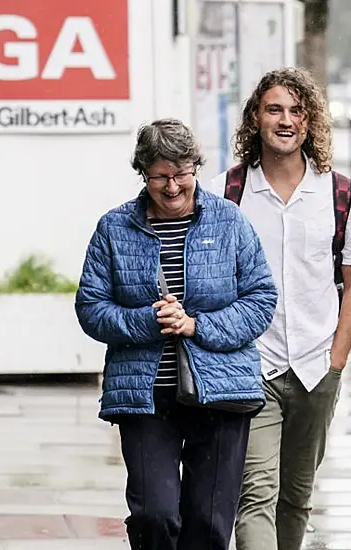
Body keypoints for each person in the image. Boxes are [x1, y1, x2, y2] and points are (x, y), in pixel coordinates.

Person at [75, 118, 278, 550]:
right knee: (155, 514)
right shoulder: (114, 228)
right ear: (143, 174)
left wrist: (195, 325)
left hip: (222, 390)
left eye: (181, 175)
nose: (171, 188)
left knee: (207, 523)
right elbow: (91, 308)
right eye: (160, 177)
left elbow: (261, 299)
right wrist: (148, 321)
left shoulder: (228, 221)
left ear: (195, 169)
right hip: (145, 396)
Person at [205, 67, 351, 550]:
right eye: (274, 108)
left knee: (297, 497)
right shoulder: (225, 194)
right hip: (249, 367)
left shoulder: (339, 194)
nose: (286, 120)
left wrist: (337, 360)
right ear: (255, 117)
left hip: (317, 368)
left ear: (310, 121)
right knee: (255, 493)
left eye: (296, 110)